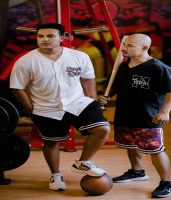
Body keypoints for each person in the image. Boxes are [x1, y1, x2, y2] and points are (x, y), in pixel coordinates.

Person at [10, 23, 110, 191]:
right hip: (45, 108)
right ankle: (55, 174)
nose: (44, 39)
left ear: (62, 38)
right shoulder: (26, 60)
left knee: (102, 129)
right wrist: (29, 109)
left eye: (50, 36)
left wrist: (92, 99)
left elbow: (87, 78)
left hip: (78, 102)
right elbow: (17, 87)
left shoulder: (79, 56)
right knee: (51, 142)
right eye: (41, 36)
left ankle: (83, 162)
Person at [99, 33, 171, 198]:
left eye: (129, 45)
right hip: (125, 115)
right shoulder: (122, 67)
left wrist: (165, 111)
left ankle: (166, 183)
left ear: (144, 48)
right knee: (132, 145)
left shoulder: (158, 67)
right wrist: (105, 96)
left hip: (148, 117)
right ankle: (137, 172)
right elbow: (114, 87)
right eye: (124, 45)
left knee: (155, 150)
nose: (124, 48)